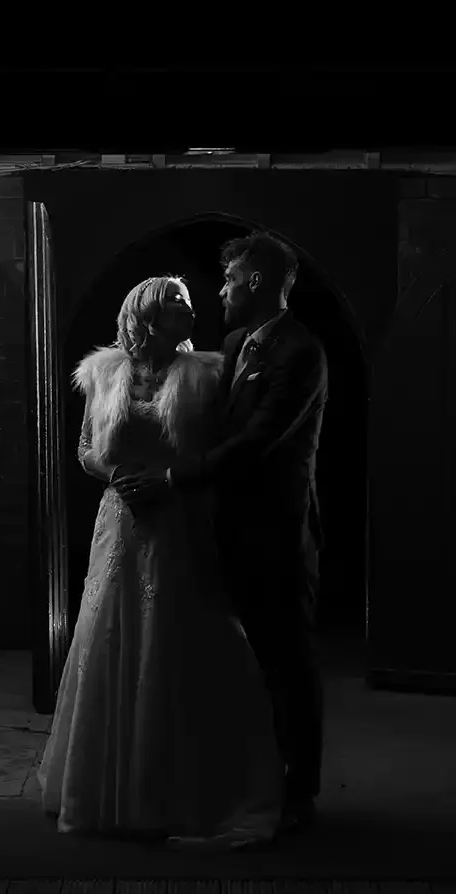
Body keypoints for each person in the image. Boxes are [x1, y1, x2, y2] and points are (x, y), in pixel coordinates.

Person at [36, 275, 283, 848]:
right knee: (109, 636)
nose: (189, 314)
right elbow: (84, 447)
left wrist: (172, 485)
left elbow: (219, 454)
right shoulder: (103, 373)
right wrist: (114, 474)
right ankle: (107, 792)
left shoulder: (206, 375)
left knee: (179, 633)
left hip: (178, 520)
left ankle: (180, 788)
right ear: (146, 315)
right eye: (176, 306)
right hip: (120, 522)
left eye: (191, 305)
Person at [115, 233, 328, 836]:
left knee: (288, 662)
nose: (224, 292)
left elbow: (258, 441)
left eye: (231, 280)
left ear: (257, 282)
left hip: (279, 535)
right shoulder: (235, 345)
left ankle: (301, 792)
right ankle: (246, 777)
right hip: (222, 529)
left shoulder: (300, 352)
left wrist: (172, 476)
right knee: (237, 667)